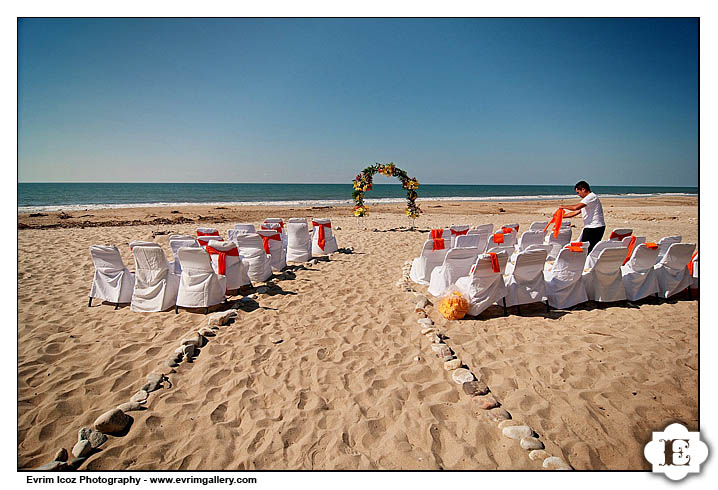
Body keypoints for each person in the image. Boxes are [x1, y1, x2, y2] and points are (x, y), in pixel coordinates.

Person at [559, 181, 605, 253]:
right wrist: (561, 216)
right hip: (592, 227)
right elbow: (576, 212)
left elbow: (576, 207)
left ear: (583, 189)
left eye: (578, 192)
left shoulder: (591, 197)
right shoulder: (587, 200)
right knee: (588, 248)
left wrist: (563, 206)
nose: (578, 195)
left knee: (586, 249)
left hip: (594, 227)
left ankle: (585, 263)